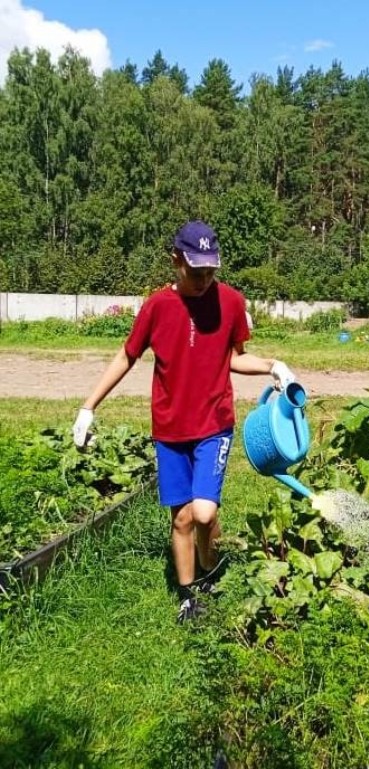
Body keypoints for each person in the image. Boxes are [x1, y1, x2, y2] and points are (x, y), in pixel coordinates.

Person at [72, 220, 296, 622]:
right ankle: (190, 595)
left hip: (214, 422)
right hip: (170, 429)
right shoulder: (157, 306)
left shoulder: (230, 302)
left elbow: (233, 357)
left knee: (205, 513)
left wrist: (271, 366)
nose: (204, 280)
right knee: (182, 516)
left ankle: (211, 566)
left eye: (211, 271)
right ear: (175, 260)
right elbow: (127, 356)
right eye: (196, 272)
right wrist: (89, 406)